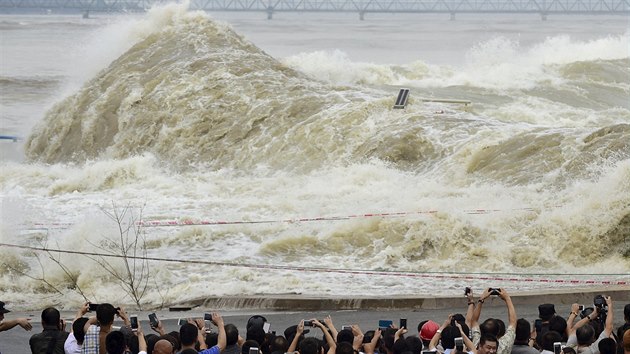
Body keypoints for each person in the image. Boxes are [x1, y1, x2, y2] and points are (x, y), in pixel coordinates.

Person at [471, 288, 517, 354]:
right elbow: (513, 322)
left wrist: (481, 299)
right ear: (498, 332)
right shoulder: (504, 345)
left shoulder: (477, 344)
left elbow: (474, 321)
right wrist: (507, 299)